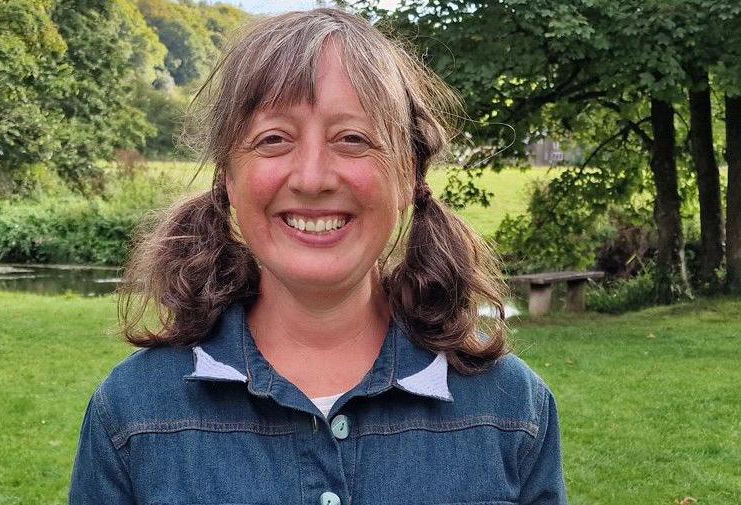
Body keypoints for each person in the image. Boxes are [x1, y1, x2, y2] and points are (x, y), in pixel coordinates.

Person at [69, 7, 567, 505]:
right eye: (274, 139)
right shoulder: (132, 415)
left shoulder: (512, 411)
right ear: (227, 178)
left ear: (410, 175)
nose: (311, 177)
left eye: (352, 139)